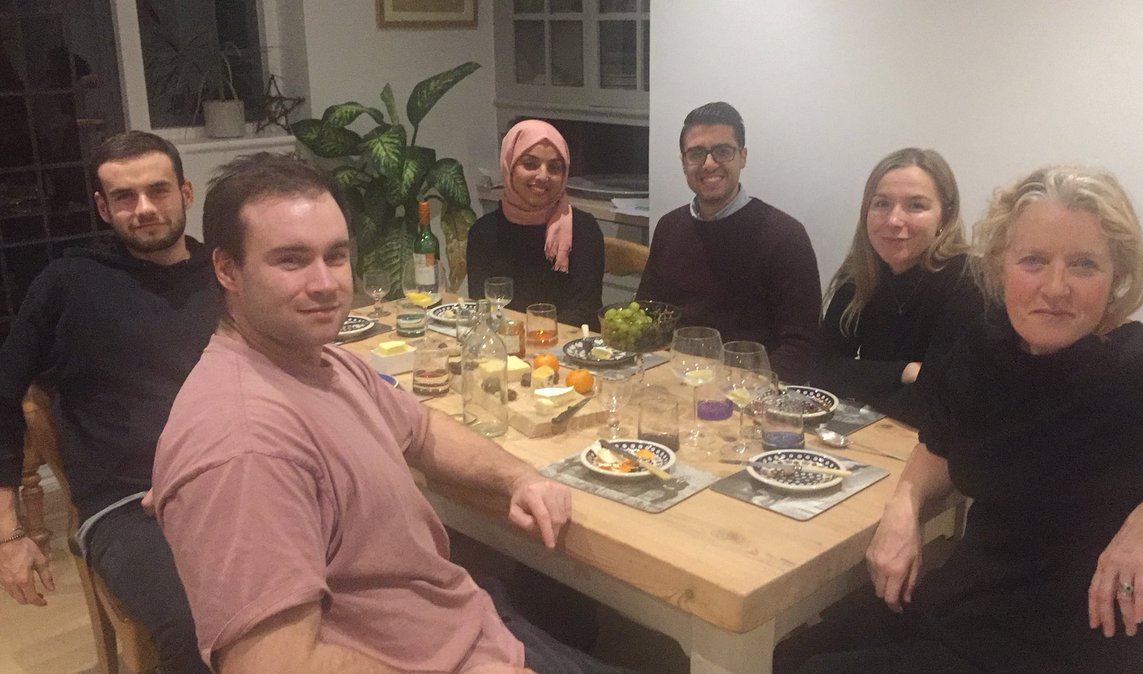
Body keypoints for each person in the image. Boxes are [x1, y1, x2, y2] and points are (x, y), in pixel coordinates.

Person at [153, 152, 628, 674]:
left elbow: (421, 429)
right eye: (291, 260)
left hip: (467, 628)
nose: (326, 282)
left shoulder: (321, 361)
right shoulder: (245, 447)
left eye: (336, 255)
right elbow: (275, 665)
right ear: (227, 269)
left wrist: (520, 478)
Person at [780, 166, 1143, 673]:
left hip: (1070, 642)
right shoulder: (986, 346)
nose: (1055, 287)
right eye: (1034, 260)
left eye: (1084, 264)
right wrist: (904, 508)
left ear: (1118, 276)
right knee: (786, 652)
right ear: (1000, 265)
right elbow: (938, 443)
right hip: (974, 598)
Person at [0, 130, 217, 672]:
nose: (144, 209)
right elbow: (3, 390)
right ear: (103, 207)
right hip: (127, 505)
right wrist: (8, 531)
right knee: (197, 626)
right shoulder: (69, 282)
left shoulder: (224, 274)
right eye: (124, 196)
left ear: (185, 193)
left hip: (236, 476)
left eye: (158, 190)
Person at [637, 101, 821, 385]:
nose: (709, 163)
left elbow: (800, 348)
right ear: (684, 162)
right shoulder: (669, 227)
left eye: (723, 151)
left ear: (742, 157)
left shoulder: (785, 236)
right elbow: (647, 315)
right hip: (675, 381)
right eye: (696, 153)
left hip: (750, 393)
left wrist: (738, 390)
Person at [809, 148, 983, 426]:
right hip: (877, 434)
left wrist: (861, 382)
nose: (893, 220)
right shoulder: (860, 274)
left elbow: (942, 402)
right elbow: (821, 372)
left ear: (945, 217)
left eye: (916, 206)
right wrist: (905, 372)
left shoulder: (969, 282)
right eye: (881, 204)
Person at [468, 119, 604, 326]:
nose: (543, 176)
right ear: (509, 166)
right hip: (504, 340)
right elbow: (482, 307)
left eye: (554, 167)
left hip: (563, 342)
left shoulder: (583, 230)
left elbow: (583, 313)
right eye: (530, 164)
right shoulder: (483, 232)